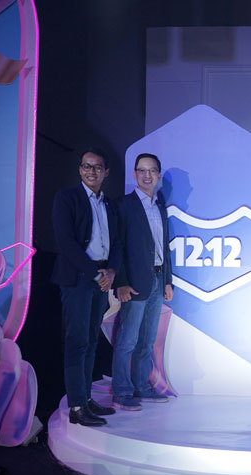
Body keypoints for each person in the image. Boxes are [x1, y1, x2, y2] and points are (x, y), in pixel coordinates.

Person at [51, 148, 121, 426]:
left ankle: (86, 398)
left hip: (101, 277)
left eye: (97, 167)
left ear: (106, 172)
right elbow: (65, 242)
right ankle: (77, 406)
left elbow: (117, 242)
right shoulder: (67, 198)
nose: (92, 171)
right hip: (79, 278)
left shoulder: (109, 204)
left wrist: (111, 271)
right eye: (87, 166)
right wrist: (95, 274)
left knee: (92, 341)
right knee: (77, 341)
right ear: (80, 169)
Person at [111, 153, 173, 411]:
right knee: (128, 340)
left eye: (152, 171)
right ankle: (122, 391)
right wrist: (121, 282)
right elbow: (118, 247)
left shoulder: (160, 206)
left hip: (157, 279)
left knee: (147, 340)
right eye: (142, 170)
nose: (147, 175)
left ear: (158, 175)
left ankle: (142, 387)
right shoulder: (124, 205)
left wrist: (167, 281)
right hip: (134, 283)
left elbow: (163, 247)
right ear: (135, 174)